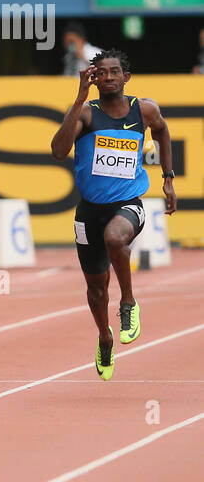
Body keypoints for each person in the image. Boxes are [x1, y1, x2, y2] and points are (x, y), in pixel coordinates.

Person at [49, 50, 176, 381]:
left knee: (116, 238)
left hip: (128, 202)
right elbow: (59, 150)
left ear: (125, 77)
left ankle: (129, 303)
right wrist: (78, 98)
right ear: (94, 78)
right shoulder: (86, 114)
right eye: (101, 73)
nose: (108, 78)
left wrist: (167, 179)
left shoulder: (144, 110)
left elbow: (162, 132)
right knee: (96, 287)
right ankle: (105, 336)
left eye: (114, 72)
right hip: (89, 210)